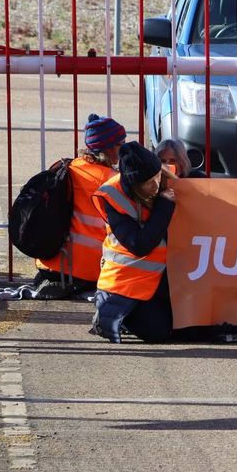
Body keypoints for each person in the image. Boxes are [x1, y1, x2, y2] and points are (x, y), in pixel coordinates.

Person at [33, 113, 127, 300]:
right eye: (120, 144)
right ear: (107, 148)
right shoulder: (111, 180)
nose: (124, 148)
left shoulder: (69, 168)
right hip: (86, 269)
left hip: (49, 263)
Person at [90, 142, 176, 343]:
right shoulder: (113, 197)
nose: (156, 185)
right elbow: (140, 245)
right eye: (149, 182)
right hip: (124, 286)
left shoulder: (164, 178)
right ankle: (112, 315)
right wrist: (164, 207)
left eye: (157, 177)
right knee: (159, 332)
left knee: (187, 324)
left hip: (157, 281)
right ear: (134, 184)